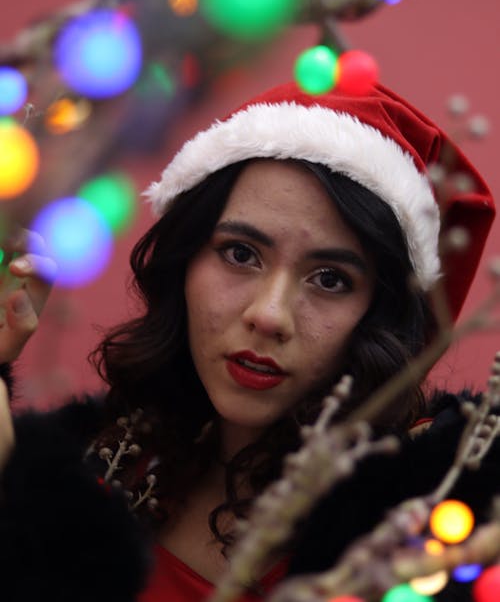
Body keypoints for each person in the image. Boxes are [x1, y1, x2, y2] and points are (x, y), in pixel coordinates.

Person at [0, 81, 496, 602]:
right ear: (184, 262)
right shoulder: (90, 471)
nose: (268, 315)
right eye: (240, 254)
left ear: (382, 314)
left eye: (330, 279)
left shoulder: (437, 535)